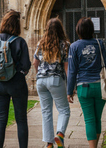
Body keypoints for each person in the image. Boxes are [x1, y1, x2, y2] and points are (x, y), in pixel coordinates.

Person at [0, 10, 31, 148]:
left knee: (1, 120)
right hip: (17, 83)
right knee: (21, 119)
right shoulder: (20, 42)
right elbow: (26, 65)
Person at [67, 17, 106, 148]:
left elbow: (72, 71)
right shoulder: (99, 43)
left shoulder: (74, 46)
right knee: (97, 119)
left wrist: (69, 91)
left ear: (78, 30)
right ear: (92, 30)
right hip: (99, 87)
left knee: (89, 120)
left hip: (83, 87)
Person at [33, 18, 71, 148]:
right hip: (56, 79)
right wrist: (70, 87)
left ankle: (49, 143)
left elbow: (35, 63)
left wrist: (40, 74)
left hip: (41, 80)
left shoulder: (40, 43)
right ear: (61, 29)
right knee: (64, 110)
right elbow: (66, 67)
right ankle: (60, 134)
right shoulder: (65, 44)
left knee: (46, 111)